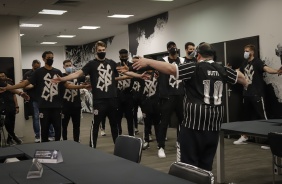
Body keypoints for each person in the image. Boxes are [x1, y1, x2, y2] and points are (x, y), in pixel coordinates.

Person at [132, 42, 248, 171]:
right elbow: (242, 79)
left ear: (198, 55)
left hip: (194, 126)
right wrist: (245, 83)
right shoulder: (222, 69)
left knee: (188, 166)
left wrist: (148, 61)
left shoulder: (194, 67)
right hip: (214, 126)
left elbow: (171, 69)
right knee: (206, 166)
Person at [0, 51, 87, 142]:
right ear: (44, 59)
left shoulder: (57, 72)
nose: (50, 59)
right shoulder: (38, 72)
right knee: (44, 131)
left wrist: (82, 86)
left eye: (52, 58)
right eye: (48, 58)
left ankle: (59, 149)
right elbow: (25, 83)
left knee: (57, 131)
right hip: (44, 106)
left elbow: (68, 85)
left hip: (57, 106)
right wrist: (8, 87)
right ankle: (45, 150)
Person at [52, 41, 119, 148]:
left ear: (105, 50)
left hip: (112, 98)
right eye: (99, 50)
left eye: (103, 50)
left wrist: (136, 75)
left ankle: (118, 146)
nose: (102, 52)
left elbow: (119, 75)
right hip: (99, 100)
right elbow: (77, 74)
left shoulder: (111, 63)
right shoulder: (91, 64)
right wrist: (63, 78)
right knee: (96, 125)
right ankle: (92, 146)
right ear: (96, 51)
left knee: (114, 125)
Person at [233, 44, 282, 146]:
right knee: (245, 117)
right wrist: (229, 70)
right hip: (246, 94)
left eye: (247, 51)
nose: (245, 53)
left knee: (263, 117)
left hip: (257, 94)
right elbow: (238, 70)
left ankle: (271, 140)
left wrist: (277, 71)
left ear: (252, 52)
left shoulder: (257, 62)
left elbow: (266, 69)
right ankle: (244, 136)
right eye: (244, 51)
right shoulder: (244, 63)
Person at [156, 41, 185, 158]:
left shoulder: (182, 61)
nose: (173, 48)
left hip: (180, 95)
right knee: (164, 122)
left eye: (174, 46)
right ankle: (161, 147)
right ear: (167, 49)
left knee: (182, 122)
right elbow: (153, 68)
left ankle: (180, 143)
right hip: (167, 96)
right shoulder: (163, 61)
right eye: (170, 47)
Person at [23, 59, 55, 143]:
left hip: (45, 98)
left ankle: (51, 134)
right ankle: (37, 135)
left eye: (38, 67)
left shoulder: (42, 73)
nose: (37, 69)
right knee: (36, 117)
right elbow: (25, 86)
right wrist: (34, 85)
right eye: (35, 67)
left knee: (49, 116)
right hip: (34, 99)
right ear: (32, 66)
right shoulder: (27, 74)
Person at [0, 72, 30, 145]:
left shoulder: (5, 82)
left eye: (3, 76)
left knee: (9, 122)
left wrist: (21, 93)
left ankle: (11, 138)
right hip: (3, 106)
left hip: (9, 106)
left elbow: (10, 88)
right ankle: (13, 137)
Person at [61, 60, 85, 142]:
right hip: (65, 106)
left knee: (76, 125)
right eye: (66, 65)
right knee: (64, 125)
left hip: (76, 105)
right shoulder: (62, 77)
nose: (68, 67)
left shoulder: (77, 77)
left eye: (70, 65)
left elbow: (87, 77)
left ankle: (76, 140)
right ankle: (64, 140)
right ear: (63, 67)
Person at [116, 49, 134, 136]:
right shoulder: (116, 66)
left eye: (125, 56)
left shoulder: (132, 66)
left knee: (130, 116)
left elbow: (135, 76)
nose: (124, 57)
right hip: (118, 93)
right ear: (119, 56)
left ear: (128, 56)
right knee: (118, 116)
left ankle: (131, 135)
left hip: (129, 93)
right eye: (122, 56)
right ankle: (119, 134)